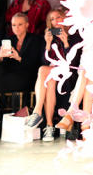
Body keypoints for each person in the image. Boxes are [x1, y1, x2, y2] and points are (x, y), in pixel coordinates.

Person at [0, 11, 42, 141]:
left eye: (20, 24)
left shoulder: (36, 40)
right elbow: (2, 66)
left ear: (27, 25)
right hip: (9, 77)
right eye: (13, 25)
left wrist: (19, 58)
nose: (16, 28)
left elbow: (37, 64)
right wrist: (0, 57)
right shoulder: (9, 40)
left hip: (26, 77)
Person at [23, 9, 81, 142]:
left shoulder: (74, 35)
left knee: (44, 71)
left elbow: (74, 62)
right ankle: (49, 126)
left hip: (69, 75)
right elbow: (44, 61)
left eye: (58, 17)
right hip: (53, 75)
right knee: (47, 74)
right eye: (52, 19)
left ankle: (40, 115)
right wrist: (48, 43)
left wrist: (66, 43)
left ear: (64, 19)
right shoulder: (49, 37)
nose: (56, 21)